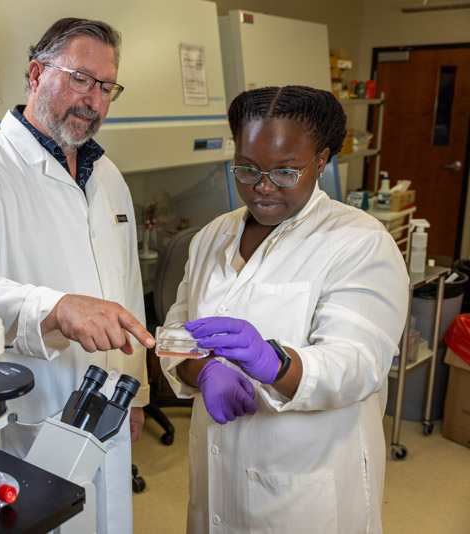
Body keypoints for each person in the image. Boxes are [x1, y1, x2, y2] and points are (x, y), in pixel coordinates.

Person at [0, 18, 153, 534]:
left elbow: (127, 289)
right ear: (35, 73)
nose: (93, 99)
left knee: (107, 521)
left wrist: (136, 393)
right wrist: (55, 308)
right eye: (80, 79)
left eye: (105, 87)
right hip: (30, 415)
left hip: (109, 403)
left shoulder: (108, 176)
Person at [160, 85, 409, 533]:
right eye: (247, 169)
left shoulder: (360, 242)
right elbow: (177, 332)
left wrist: (274, 362)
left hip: (306, 486)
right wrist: (202, 371)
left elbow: (360, 363)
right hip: (216, 474)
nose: (261, 188)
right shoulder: (213, 235)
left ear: (322, 160)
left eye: (285, 173)